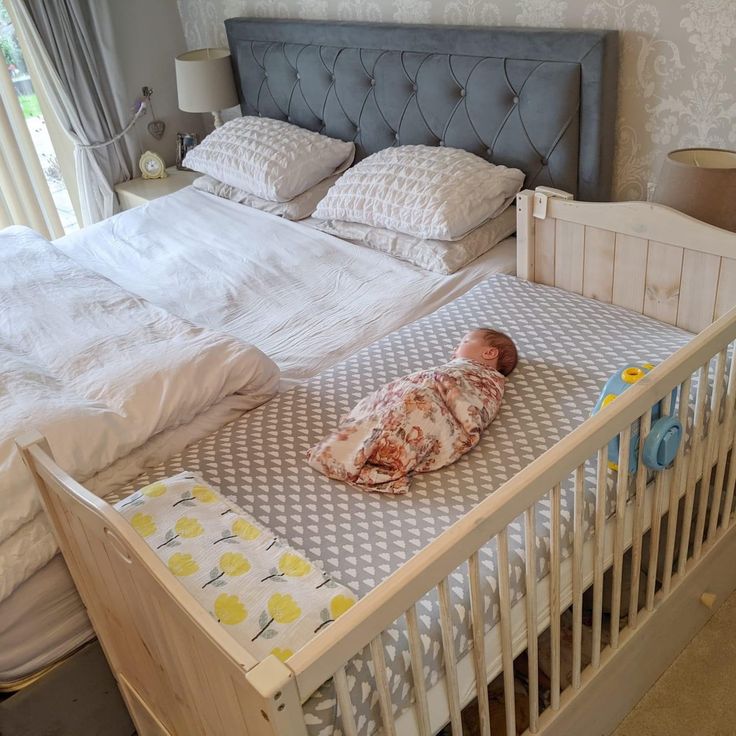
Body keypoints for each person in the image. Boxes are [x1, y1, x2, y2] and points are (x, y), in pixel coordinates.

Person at [307, 328, 517, 493]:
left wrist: (433, 382)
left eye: (463, 342)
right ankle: (377, 441)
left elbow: (468, 402)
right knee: (405, 399)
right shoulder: (461, 371)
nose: (454, 350)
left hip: (435, 400)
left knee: (415, 401)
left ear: (489, 352)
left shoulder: (485, 382)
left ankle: (376, 444)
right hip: (428, 394)